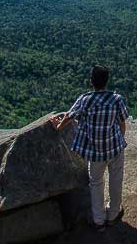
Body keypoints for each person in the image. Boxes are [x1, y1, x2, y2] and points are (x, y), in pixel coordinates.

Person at [52, 65, 130, 229]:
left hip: (95, 153)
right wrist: (120, 140)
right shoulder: (117, 99)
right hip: (115, 148)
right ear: (107, 81)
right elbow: (122, 122)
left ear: (91, 81)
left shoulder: (85, 100)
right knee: (116, 179)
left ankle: (99, 220)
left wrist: (58, 126)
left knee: (96, 183)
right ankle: (114, 213)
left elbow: (69, 115)